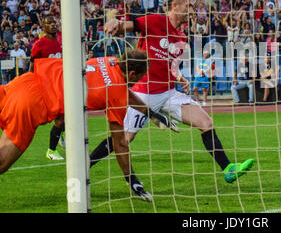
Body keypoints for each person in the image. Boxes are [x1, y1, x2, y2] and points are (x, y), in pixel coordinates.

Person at [104, 0, 255, 183]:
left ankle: (228, 169)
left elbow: (171, 64)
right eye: (189, 6)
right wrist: (115, 22)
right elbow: (126, 26)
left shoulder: (181, 37)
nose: (192, 10)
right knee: (124, 139)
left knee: (206, 122)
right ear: (175, 6)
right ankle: (86, 163)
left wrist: (180, 77)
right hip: (144, 92)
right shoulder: (155, 21)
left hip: (168, 93)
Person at [0, 49, 174, 202]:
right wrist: (131, 178)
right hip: (30, 104)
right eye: (140, 78)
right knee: (2, 164)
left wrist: (151, 114)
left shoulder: (111, 60)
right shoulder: (116, 93)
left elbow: (123, 91)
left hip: (22, 82)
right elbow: (119, 142)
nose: (139, 82)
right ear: (132, 74)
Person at [29, 16, 65, 160]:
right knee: (60, 119)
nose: (53, 25)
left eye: (54, 22)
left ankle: (61, 137)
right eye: (49, 23)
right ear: (43, 27)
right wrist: (32, 81)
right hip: (49, 86)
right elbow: (33, 66)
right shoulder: (39, 45)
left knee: (67, 116)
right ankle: (51, 150)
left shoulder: (63, 39)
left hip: (63, 82)